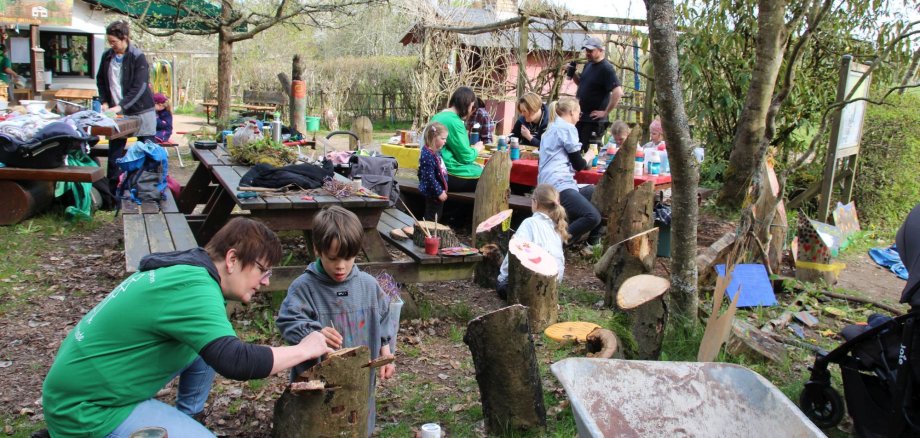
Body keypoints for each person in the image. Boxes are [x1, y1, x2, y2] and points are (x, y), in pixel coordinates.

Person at [41, 218, 333, 437]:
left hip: (86, 390)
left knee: (206, 344)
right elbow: (236, 362)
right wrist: (304, 348)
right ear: (232, 259)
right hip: (88, 410)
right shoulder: (194, 289)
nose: (267, 281)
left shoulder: (190, 274)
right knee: (219, 348)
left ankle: (188, 417)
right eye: (263, 270)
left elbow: (217, 348)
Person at [277, 206, 396, 436]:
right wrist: (314, 332)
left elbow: (383, 320)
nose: (341, 266)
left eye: (348, 257)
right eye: (333, 258)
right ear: (317, 250)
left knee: (357, 421)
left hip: (359, 382)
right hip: (318, 386)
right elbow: (288, 320)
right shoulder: (305, 288)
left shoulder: (369, 286)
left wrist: (386, 352)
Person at [96, 20, 157, 195]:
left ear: (124, 39)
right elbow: (101, 80)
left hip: (141, 111)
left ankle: (147, 191)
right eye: (110, 42)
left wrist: (121, 106)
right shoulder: (107, 56)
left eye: (114, 42)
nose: (112, 45)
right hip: (118, 114)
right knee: (115, 154)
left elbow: (140, 87)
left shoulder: (138, 56)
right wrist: (105, 101)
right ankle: (112, 195)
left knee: (147, 152)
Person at [537, 97, 602, 246]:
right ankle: (556, 243)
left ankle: (592, 243)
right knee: (593, 217)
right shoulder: (567, 128)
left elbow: (567, 162)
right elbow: (579, 165)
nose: (580, 116)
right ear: (572, 112)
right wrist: (589, 155)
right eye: (579, 112)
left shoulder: (551, 128)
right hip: (558, 185)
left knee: (596, 192)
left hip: (547, 184)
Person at [496, 184, 569, 298]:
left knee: (501, 284)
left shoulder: (529, 223)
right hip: (553, 285)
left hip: (532, 285)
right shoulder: (557, 226)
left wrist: (502, 276)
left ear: (535, 202)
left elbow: (514, 253)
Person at [567, 36, 624, 152]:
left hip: (594, 121)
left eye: (591, 51)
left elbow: (618, 92)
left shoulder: (606, 69)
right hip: (582, 118)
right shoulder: (589, 65)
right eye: (586, 50)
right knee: (577, 150)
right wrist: (573, 73)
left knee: (588, 153)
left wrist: (605, 112)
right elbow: (581, 83)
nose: (587, 53)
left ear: (600, 50)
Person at [430, 87, 484, 193]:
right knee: (490, 175)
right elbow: (465, 157)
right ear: (468, 104)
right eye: (472, 106)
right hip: (447, 174)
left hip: (435, 170)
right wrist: (477, 149)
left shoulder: (438, 116)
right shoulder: (454, 121)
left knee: (480, 167)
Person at [418, 121, 449, 221]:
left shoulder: (436, 152)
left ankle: (433, 233)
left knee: (437, 216)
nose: (445, 141)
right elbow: (429, 177)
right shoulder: (427, 155)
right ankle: (429, 235)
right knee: (432, 217)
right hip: (433, 193)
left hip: (437, 191)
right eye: (443, 138)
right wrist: (439, 192)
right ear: (434, 137)